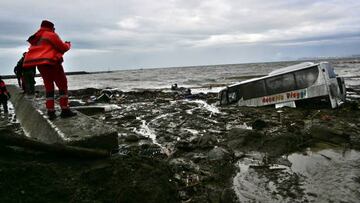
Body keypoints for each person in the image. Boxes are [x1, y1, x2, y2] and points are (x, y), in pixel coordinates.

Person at [23, 20, 76, 120]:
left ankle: (50, 112)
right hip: (52, 63)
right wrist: (68, 44)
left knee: (49, 87)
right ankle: (65, 110)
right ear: (51, 27)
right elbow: (62, 48)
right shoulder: (50, 35)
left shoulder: (37, 36)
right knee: (62, 84)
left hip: (41, 65)